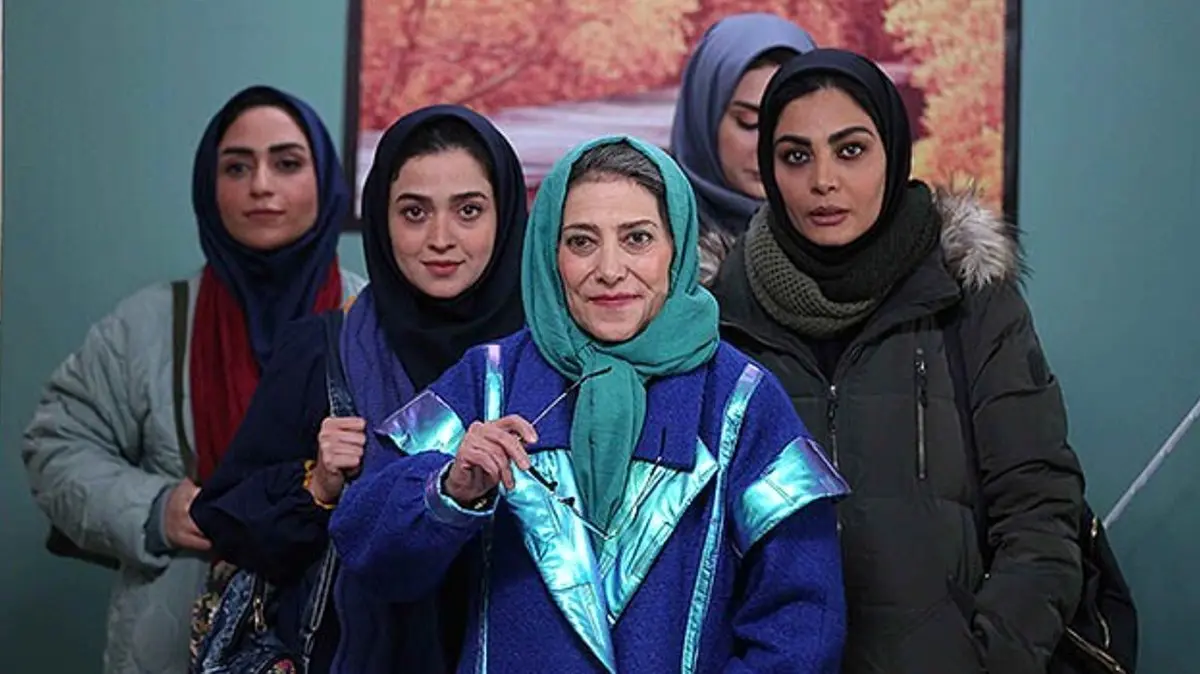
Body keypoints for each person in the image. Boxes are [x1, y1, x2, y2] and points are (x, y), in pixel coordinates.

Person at [330, 136, 850, 673]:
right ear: (549, 254)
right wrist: (449, 492)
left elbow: (802, 622)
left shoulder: (738, 397)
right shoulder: (490, 380)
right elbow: (369, 554)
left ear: (676, 249)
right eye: (581, 242)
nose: (609, 269)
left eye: (637, 239)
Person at [710, 49, 1085, 673]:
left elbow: (1040, 509)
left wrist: (990, 660)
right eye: (796, 156)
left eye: (850, 150)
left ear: (893, 152)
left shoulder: (967, 297)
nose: (823, 180)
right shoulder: (722, 314)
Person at [21, 85, 365, 674]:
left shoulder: (372, 322)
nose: (261, 185)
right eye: (236, 167)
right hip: (174, 639)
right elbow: (55, 446)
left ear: (326, 182)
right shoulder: (147, 325)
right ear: (209, 186)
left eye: (286, 163)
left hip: (338, 635)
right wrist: (156, 509)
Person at [190, 105, 528, 673]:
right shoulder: (323, 349)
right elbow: (227, 521)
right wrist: (317, 484)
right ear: (379, 219)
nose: (441, 238)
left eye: (468, 210)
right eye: (414, 212)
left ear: (508, 214)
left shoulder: (548, 357)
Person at [669, 12, 816, 285]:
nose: (767, 148)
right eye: (749, 123)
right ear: (704, 118)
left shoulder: (852, 234)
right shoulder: (650, 239)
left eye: (791, 124)